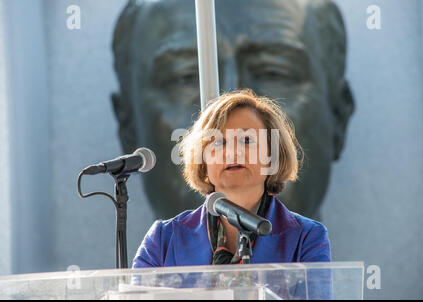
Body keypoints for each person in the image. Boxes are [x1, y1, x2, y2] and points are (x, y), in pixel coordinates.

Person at [111, 0, 355, 222]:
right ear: (128, 126)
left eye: (273, 72)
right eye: (185, 77)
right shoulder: (157, 246)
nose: (231, 111)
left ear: (338, 117)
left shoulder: (311, 241)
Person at [133, 90, 331, 268]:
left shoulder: (306, 238)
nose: (232, 153)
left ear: (273, 155)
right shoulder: (163, 239)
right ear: (203, 161)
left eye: (247, 140)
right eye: (218, 142)